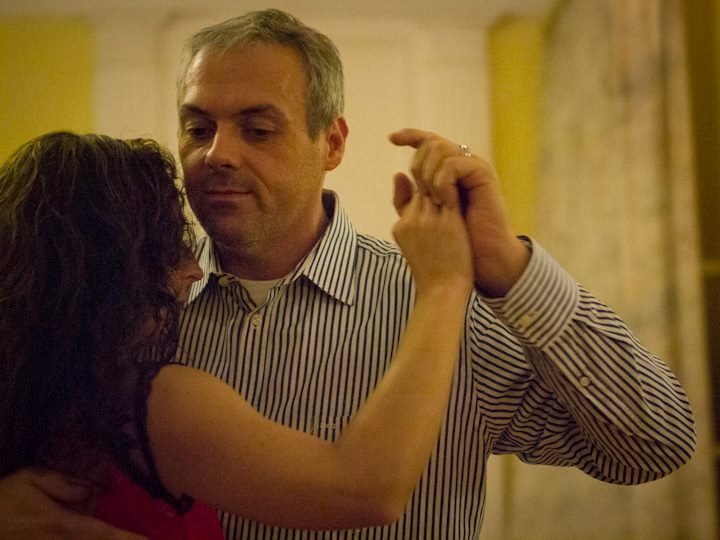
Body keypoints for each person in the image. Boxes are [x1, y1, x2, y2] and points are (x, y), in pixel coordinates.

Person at [1, 8, 697, 540]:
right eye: (197, 127)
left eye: (257, 128)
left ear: (330, 142)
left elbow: (654, 443)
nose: (217, 154)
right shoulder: (126, 320)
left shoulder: (443, 309)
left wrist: (510, 268)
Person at [0, 130, 477, 538]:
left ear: (331, 142)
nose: (192, 268)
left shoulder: (22, 383)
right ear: (111, 269)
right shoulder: (159, 402)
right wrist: (444, 284)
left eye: (258, 130)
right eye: (168, 245)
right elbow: (364, 489)